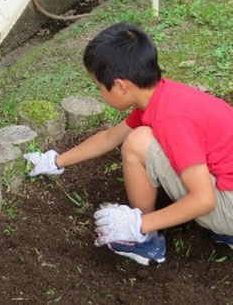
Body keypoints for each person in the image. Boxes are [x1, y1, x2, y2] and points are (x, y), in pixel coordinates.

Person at [25, 22, 233, 265]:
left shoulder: (171, 120)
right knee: (139, 137)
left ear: (121, 86)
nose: (99, 93)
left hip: (227, 205)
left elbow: (204, 200)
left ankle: (144, 239)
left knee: (138, 143)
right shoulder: (164, 96)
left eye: (99, 87)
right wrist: (55, 160)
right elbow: (109, 138)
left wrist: (138, 223)